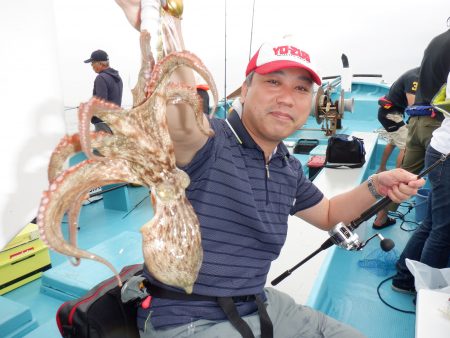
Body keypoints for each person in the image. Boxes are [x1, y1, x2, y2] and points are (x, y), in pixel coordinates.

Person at [116, 1, 424, 337]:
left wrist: (377, 185)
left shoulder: (286, 166)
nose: (287, 98)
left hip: (257, 301)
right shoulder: (209, 140)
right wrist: (162, 26)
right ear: (245, 90)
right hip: (188, 319)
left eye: (301, 88)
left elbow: (328, 214)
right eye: (273, 82)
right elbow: (179, 113)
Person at [373, 26, 450, 230]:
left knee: (404, 176)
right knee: (443, 183)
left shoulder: (436, 42)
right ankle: (436, 231)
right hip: (435, 123)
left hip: (416, 122)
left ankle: (380, 217)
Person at [391, 73, 450, 294]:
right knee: (444, 230)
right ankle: (426, 295)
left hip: (440, 151)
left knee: (434, 223)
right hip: (446, 156)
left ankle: (404, 278)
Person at [376, 67, 419, 174]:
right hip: (391, 115)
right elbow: (412, 106)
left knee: (392, 143)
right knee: (405, 147)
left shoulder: (412, 73)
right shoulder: (415, 78)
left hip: (387, 113)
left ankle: (381, 169)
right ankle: (397, 176)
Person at [84, 49, 123, 133]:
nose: (91, 66)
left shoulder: (101, 78)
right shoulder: (118, 78)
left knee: (97, 146)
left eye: (92, 63)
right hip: (115, 122)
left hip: (103, 124)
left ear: (100, 63)